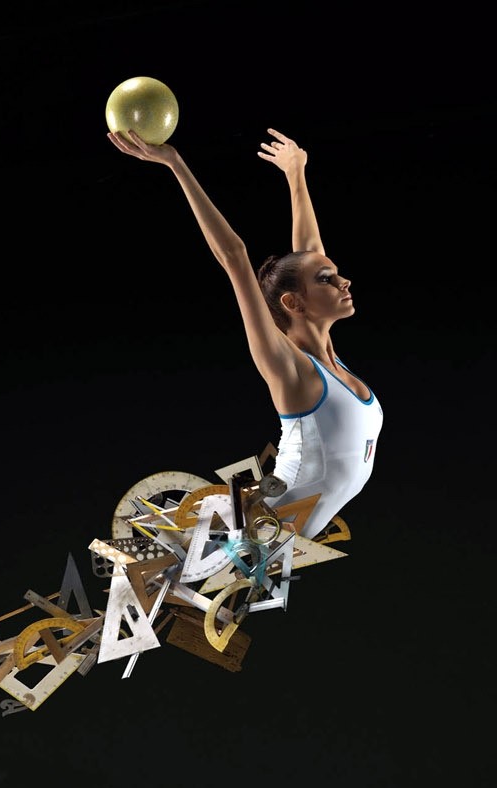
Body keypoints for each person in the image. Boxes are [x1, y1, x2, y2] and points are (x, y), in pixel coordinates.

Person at [108, 126, 381, 539]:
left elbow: (309, 249)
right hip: (248, 540)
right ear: (294, 304)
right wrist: (176, 164)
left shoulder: (329, 361)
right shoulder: (291, 370)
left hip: (280, 548)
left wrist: (296, 174)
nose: (345, 282)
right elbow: (234, 256)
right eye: (329, 279)